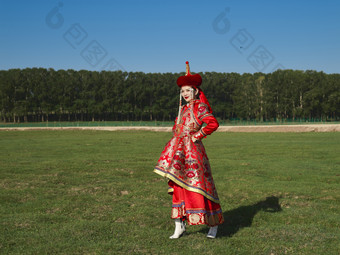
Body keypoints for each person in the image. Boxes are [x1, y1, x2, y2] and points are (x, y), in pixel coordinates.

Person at [154, 61, 224, 239]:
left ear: (196, 91)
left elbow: (213, 123)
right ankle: (179, 226)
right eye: (183, 91)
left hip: (194, 153)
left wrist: (197, 135)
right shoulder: (183, 109)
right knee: (178, 187)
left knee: (201, 187)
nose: (185, 94)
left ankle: (213, 226)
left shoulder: (199, 107)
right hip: (179, 153)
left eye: (188, 90)